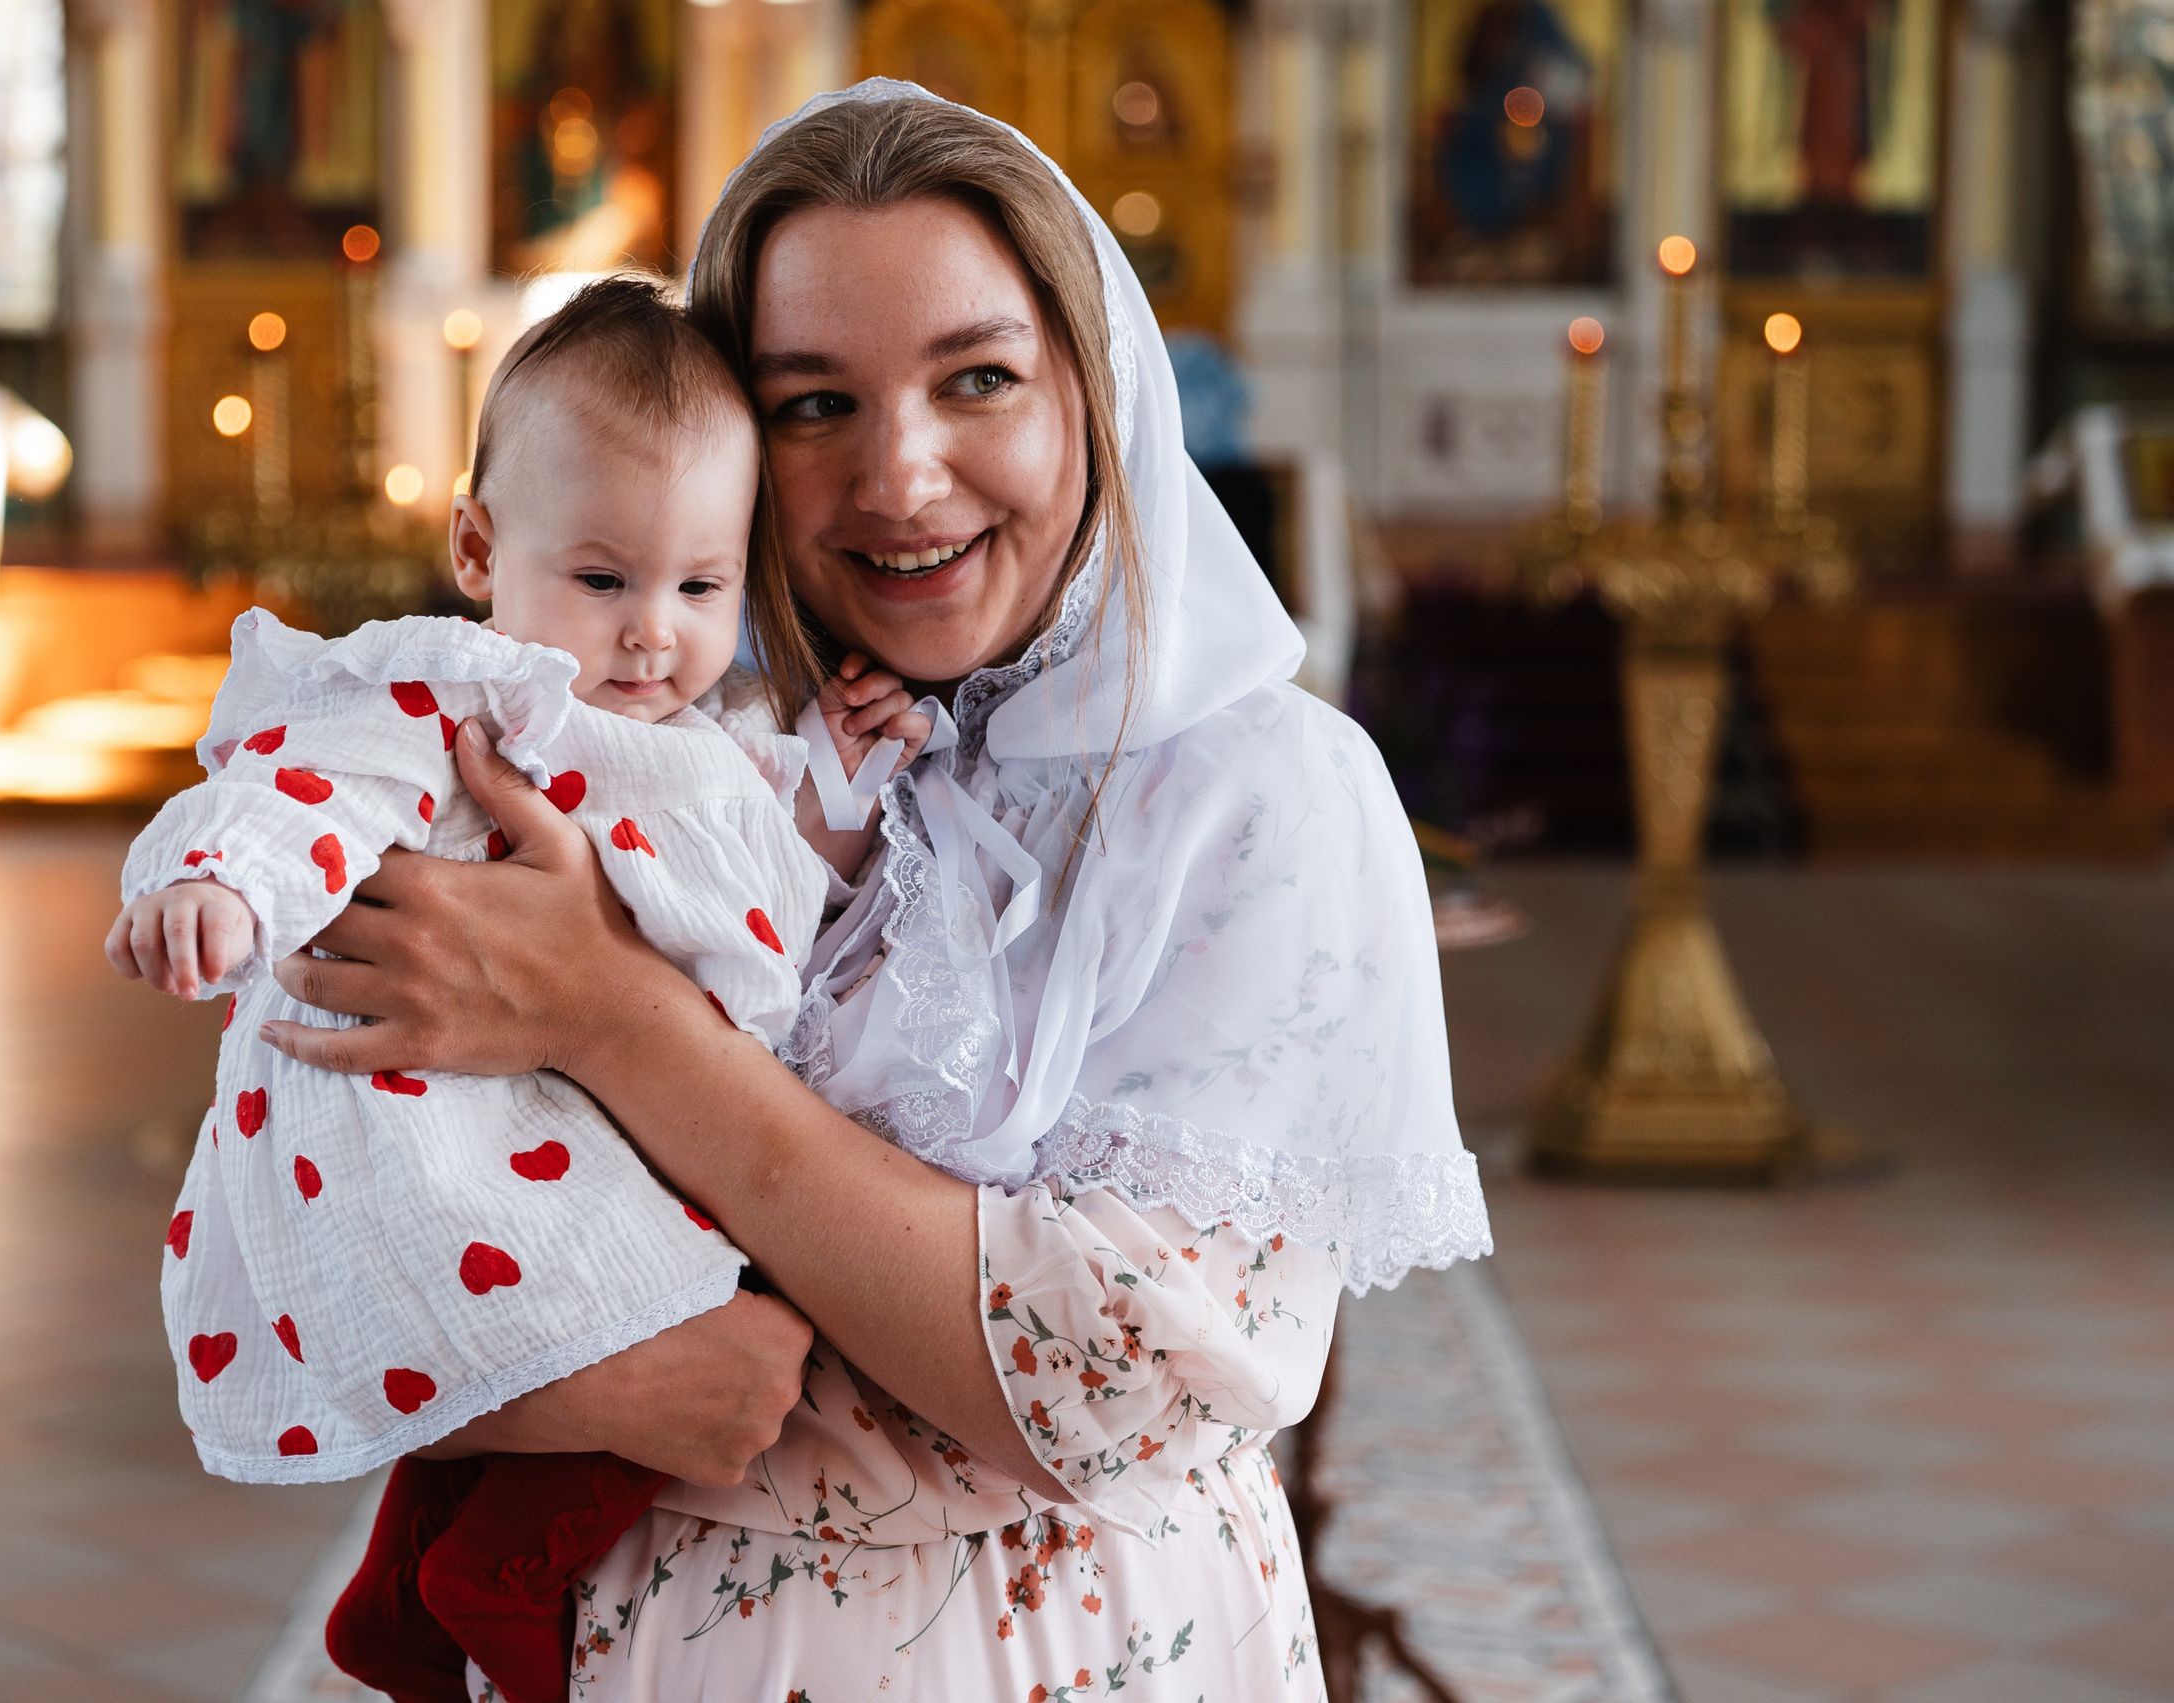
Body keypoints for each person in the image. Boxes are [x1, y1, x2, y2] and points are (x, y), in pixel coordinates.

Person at [259, 83, 1493, 1699]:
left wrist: (622, 1021)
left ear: (1096, 397)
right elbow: (312, 1259)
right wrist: (576, 1394)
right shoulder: (642, 753)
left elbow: (1109, 1386)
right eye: (812, 403)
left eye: (978, 378)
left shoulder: (1255, 793)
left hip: (1071, 1654)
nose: (902, 478)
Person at [105, 278, 926, 1702]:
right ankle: (491, 1576)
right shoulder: (458, 699)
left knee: (567, 1340)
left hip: (582, 1110)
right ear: (481, 548)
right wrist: (223, 890)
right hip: (459, 1134)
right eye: (603, 581)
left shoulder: (712, 735)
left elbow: (764, 896)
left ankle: (410, 1594)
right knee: (634, 1316)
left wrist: (840, 802)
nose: (652, 635)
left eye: (701, 586)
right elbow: (312, 792)